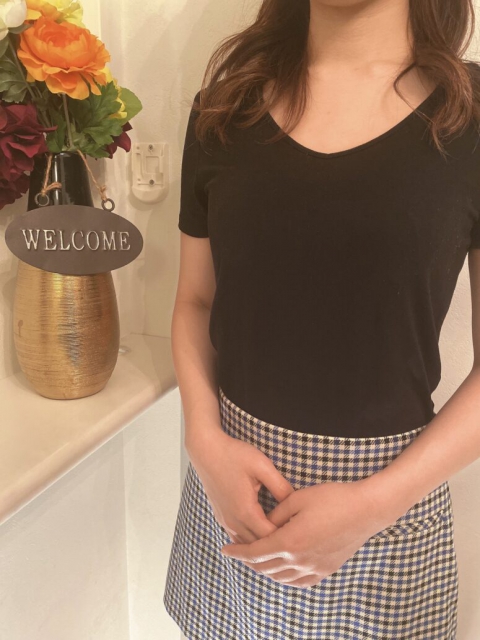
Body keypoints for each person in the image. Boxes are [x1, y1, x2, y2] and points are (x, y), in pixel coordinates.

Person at [163, 0, 480, 638]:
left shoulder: (469, 117)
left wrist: (373, 505)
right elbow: (195, 302)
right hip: (230, 498)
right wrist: (203, 439)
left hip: (389, 515)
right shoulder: (225, 108)